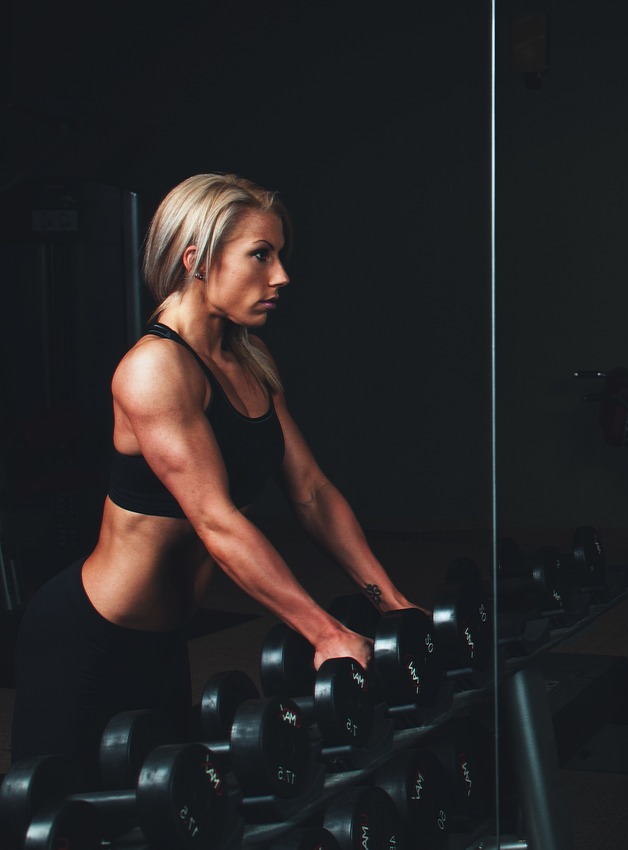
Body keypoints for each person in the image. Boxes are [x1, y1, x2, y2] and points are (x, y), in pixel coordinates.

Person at [11, 173, 422, 779]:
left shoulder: (247, 359)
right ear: (195, 259)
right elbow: (216, 521)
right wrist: (325, 633)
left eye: (280, 255)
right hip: (89, 639)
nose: (280, 276)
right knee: (57, 820)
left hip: (163, 645)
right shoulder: (154, 369)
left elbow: (311, 492)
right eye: (261, 254)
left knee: (166, 811)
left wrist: (392, 605)